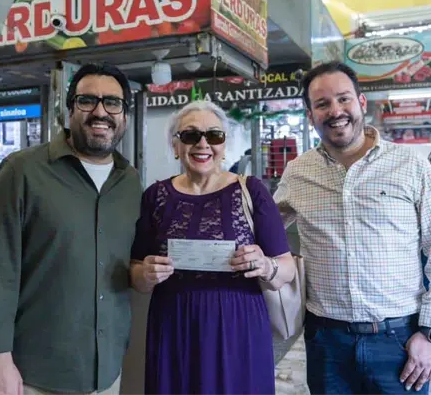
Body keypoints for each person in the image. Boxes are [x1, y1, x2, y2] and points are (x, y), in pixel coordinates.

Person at [0, 63, 143, 395]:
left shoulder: (130, 182)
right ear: (69, 110)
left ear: (124, 115)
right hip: (35, 374)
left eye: (112, 102)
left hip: (107, 371)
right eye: (87, 100)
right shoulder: (22, 171)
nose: (100, 112)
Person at [274, 61, 431, 394]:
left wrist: (428, 334)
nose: (335, 111)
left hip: (401, 342)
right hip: (327, 343)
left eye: (343, 99)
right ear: (310, 115)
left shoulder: (411, 166)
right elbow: (265, 228)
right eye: (322, 104)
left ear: (360, 102)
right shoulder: (298, 173)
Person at [129, 100, 296, 395]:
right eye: (190, 135)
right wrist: (146, 274)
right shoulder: (155, 196)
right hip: (174, 328)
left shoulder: (251, 191)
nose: (203, 144)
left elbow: (287, 269)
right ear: (175, 145)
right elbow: (136, 273)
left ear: (224, 144)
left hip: (238, 328)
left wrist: (265, 265)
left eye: (214, 135)